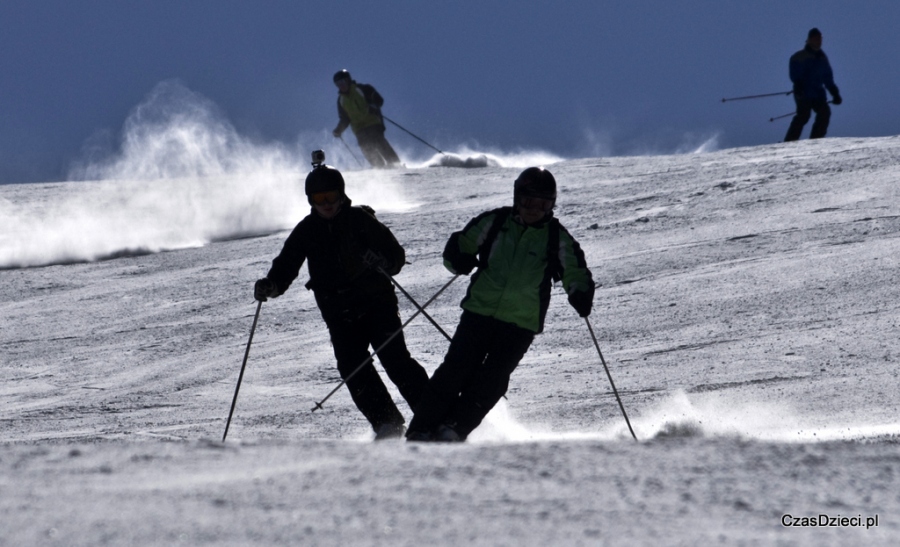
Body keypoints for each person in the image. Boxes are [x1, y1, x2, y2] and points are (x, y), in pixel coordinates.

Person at [406, 167, 595, 442]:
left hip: (520, 323)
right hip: (479, 312)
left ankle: (453, 428)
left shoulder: (555, 237)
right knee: (455, 370)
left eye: (543, 204)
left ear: (551, 206)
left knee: (492, 381)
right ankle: (421, 428)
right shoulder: (496, 222)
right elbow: (461, 244)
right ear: (517, 198)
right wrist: (458, 258)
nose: (534, 209)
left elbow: (575, 270)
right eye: (529, 202)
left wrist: (580, 293)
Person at [254, 155, 427, 439]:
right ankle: (387, 422)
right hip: (338, 311)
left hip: (376, 302)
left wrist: (382, 262)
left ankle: (430, 414)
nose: (325, 203)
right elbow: (287, 265)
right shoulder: (307, 231)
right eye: (317, 198)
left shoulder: (361, 219)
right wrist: (271, 286)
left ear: (341, 193)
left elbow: (395, 256)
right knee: (352, 367)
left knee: (395, 360)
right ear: (310, 200)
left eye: (330, 195)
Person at [331, 70, 402, 169]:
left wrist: (373, 106)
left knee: (377, 140)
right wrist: (338, 130)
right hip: (358, 128)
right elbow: (345, 119)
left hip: (373, 121)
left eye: (342, 82)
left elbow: (379, 100)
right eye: (337, 84)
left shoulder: (362, 89)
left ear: (348, 80)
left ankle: (394, 164)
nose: (341, 85)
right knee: (365, 146)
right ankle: (379, 166)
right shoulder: (341, 100)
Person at [784, 28, 843, 142]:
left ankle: (816, 140)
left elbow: (828, 78)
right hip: (804, 92)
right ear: (809, 40)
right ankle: (790, 141)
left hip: (818, 93)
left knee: (824, 112)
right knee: (804, 115)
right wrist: (798, 84)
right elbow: (794, 72)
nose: (819, 41)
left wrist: (835, 93)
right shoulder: (800, 56)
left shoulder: (822, 58)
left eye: (820, 39)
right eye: (816, 39)